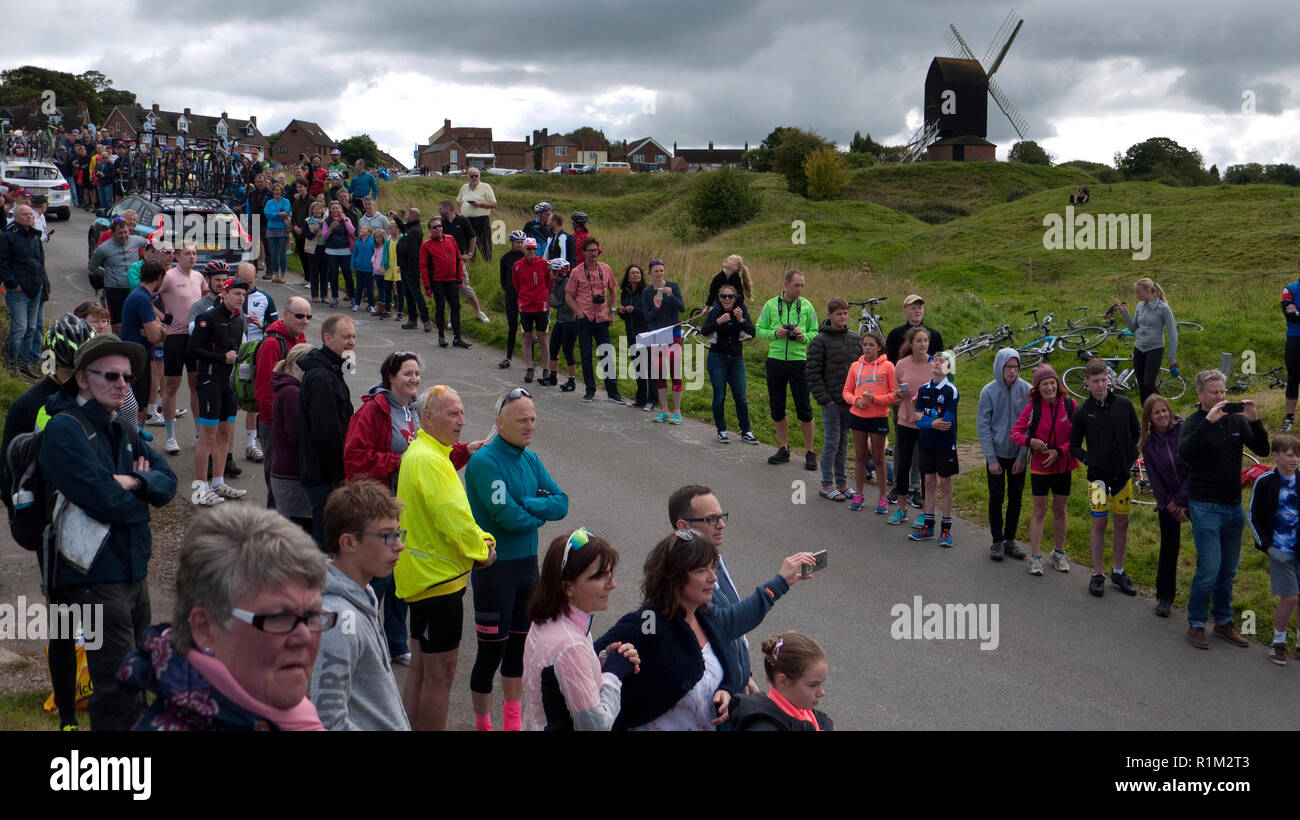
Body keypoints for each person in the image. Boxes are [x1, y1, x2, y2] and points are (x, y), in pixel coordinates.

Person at [39, 333, 177, 730]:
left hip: (132, 570)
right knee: (117, 689)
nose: (122, 385)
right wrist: (139, 491)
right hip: (94, 577)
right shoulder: (65, 430)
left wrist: (132, 482)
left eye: (127, 378)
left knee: (138, 677)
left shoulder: (123, 429)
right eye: (111, 376)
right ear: (83, 379)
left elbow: (167, 483)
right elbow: (104, 501)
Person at [118, 505, 329, 730]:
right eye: (278, 618)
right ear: (204, 628)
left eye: (312, 615)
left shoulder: (292, 717)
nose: (304, 637)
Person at [1, 315, 94, 729]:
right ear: (54, 361)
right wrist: (32, 524)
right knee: (63, 619)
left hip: (94, 524)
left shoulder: (99, 398)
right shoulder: (27, 406)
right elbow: (7, 477)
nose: (80, 378)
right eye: (73, 370)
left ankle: (93, 691)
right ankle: (68, 715)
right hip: (50, 531)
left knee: (96, 613)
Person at [465, 388, 569, 731]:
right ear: (500, 423)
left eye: (533, 419)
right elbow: (506, 517)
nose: (530, 426)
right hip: (495, 572)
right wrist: (537, 511)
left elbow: (561, 502)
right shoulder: (483, 462)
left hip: (528, 572)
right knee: (490, 654)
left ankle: (512, 724)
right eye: (522, 420)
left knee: (519, 654)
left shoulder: (531, 459)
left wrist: (527, 504)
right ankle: (484, 725)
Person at [394, 385, 497, 731]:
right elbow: (453, 517)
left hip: (422, 577)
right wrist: (483, 549)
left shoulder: (424, 451)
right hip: (437, 582)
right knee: (441, 675)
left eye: (462, 413)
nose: (462, 421)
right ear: (427, 417)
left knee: (422, 670)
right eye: (453, 414)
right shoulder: (430, 459)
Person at [667, 485, 816, 693]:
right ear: (683, 526)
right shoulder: (683, 576)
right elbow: (725, 624)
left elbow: (735, 631)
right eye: (711, 519)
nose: (721, 525)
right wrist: (779, 583)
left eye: (722, 517)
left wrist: (745, 675)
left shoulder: (716, 560)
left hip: (734, 689)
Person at [593, 529, 746, 731]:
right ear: (675, 577)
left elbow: (731, 668)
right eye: (701, 571)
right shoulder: (649, 622)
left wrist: (727, 689)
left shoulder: (707, 618)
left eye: (713, 568)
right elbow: (586, 661)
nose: (714, 578)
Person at [311, 480, 412, 730]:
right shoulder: (338, 621)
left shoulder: (364, 592)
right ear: (348, 543)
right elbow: (328, 720)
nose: (399, 545)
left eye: (398, 534)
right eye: (387, 536)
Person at [1179, 368, 1269, 648]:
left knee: (1228, 569)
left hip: (1232, 506)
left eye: (1223, 392)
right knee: (1209, 568)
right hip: (1204, 505)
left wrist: (1255, 422)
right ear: (1200, 394)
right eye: (1215, 392)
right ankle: (1195, 623)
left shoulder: (1236, 422)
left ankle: (1222, 621)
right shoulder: (1194, 422)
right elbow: (1185, 454)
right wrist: (1208, 421)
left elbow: (1263, 450)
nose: (1221, 397)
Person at [343, 351, 421, 663]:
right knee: (378, 578)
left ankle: (396, 642)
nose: (414, 379)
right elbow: (355, 457)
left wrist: (462, 452)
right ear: (391, 377)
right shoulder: (373, 411)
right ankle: (363, 640)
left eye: (416, 374)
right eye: (407, 374)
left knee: (401, 575)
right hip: (379, 508)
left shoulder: (415, 410)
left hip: (406, 506)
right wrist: (399, 462)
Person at [522, 530, 638, 731]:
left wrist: (603, 659)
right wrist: (613, 673)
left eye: (611, 574)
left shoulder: (548, 619)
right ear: (568, 587)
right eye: (600, 577)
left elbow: (560, 679)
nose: (612, 585)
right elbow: (596, 725)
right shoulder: (570, 644)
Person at [1069, 358, 1141, 596]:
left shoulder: (1124, 404)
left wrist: (1131, 457)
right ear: (1086, 381)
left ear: (1109, 380)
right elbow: (1074, 445)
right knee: (1099, 523)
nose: (1101, 385)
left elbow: (1138, 434)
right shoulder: (1082, 410)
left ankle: (1118, 571)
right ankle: (1097, 573)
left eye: (1104, 380)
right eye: (1096, 381)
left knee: (1123, 523)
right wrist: (1089, 460)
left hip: (1122, 477)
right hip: (1097, 478)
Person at [187, 278, 250, 506]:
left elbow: (239, 354)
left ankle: (218, 482)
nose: (240, 298)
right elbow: (192, 350)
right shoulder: (208, 319)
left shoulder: (240, 320)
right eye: (236, 294)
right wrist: (221, 358)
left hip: (229, 384)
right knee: (208, 436)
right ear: (224, 294)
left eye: (243, 295)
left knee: (226, 433)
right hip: (210, 381)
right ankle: (200, 488)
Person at [1010, 365, 1077, 576]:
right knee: (1039, 511)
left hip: (1063, 465)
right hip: (1040, 467)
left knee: (1059, 510)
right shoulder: (1033, 409)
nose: (1049, 387)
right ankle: (1036, 557)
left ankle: (1058, 552)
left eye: (1052, 383)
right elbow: (1015, 433)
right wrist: (1032, 442)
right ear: (1037, 388)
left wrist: (1060, 451)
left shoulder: (1070, 404)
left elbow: (1078, 436)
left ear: (1058, 385)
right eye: (1044, 384)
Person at [298, 312, 357, 542]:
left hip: (327, 475)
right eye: (345, 337)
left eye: (353, 336)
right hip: (325, 478)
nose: (351, 342)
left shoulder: (331, 369)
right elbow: (327, 434)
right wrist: (342, 474)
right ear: (327, 338)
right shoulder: (322, 377)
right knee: (328, 544)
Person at [756, 269, 819, 470]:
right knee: (777, 406)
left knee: (804, 407)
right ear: (786, 284)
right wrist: (776, 333)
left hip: (799, 361)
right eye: (796, 285)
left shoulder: (807, 306)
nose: (799, 289)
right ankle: (783, 447)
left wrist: (803, 337)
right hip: (775, 360)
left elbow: (815, 332)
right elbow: (758, 329)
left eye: (802, 286)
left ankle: (810, 451)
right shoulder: (770, 305)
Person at [886, 294, 945, 506]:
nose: (916, 311)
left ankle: (916, 488)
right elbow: (891, 367)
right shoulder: (894, 335)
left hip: (928, 406)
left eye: (920, 307)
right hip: (902, 401)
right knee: (902, 444)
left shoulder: (935, 336)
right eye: (912, 307)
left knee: (923, 446)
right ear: (904, 310)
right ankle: (899, 487)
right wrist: (896, 394)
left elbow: (946, 369)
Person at [252, 296, 309, 507]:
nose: (305, 321)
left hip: (290, 422)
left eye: (308, 317)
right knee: (276, 486)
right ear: (285, 315)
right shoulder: (272, 344)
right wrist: (281, 422)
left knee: (287, 484)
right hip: (274, 424)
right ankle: (271, 531)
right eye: (300, 316)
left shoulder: (298, 339)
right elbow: (265, 390)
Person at [1249, 433, 1300, 665]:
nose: (1295, 460)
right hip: (1280, 550)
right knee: (1290, 597)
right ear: (1276, 455)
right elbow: (1254, 516)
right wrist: (1268, 547)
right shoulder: (1265, 481)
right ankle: (1278, 643)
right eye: (1290, 455)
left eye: (1297, 455)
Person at [977, 348, 1030, 561]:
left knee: (1016, 498)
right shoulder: (988, 392)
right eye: (1008, 367)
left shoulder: (1027, 390)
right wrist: (991, 459)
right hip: (997, 454)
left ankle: (1010, 539)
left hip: (1017, 454)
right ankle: (996, 541)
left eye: (1015, 367)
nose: (1012, 372)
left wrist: (1022, 457)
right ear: (1000, 366)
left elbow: (1029, 426)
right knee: (996, 497)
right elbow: (983, 426)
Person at [1140, 393, 1189, 615]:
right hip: (1168, 501)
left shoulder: (1185, 430)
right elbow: (1154, 478)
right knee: (1169, 548)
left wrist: (1181, 500)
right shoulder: (1148, 443)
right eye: (1156, 412)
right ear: (1149, 418)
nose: (1162, 415)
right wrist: (1169, 503)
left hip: (1192, 495)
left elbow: (1194, 467)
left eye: (1164, 410)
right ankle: (1165, 597)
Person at [806, 298, 859, 499]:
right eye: (839, 314)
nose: (843, 317)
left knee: (844, 442)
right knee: (832, 441)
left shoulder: (854, 338)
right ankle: (827, 484)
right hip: (830, 401)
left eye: (845, 313)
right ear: (829, 315)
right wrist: (825, 399)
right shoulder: (820, 340)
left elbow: (859, 369)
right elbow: (812, 372)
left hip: (849, 401)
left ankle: (843, 483)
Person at [157, 247, 207, 454]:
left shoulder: (198, 276)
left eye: (194, 253)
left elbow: (206, 298)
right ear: (176, 256)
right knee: (171, 385)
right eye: (187, 253)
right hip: (175, 336)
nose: (192, 256)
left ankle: (198, 433)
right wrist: (162, 316)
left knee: (196, 384)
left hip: (195, 337)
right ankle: (170, 436)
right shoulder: (168, 277)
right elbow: (145, 294)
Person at [843, 330, 899, 513]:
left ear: (879, 347)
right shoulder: (854, 366)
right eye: (865, 344)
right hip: (858, 415)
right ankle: (859, 495)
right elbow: (847, 392)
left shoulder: (888, 366)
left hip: (878, 416)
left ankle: (882, 497)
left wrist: (876, 400)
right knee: (860, 456)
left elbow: (894, 394)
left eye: (871, 345)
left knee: (878, 457)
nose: (867, 348)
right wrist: (856, 401)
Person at [730, 631, 832, 731]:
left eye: (821, 684)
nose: (822, 693)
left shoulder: (811, 719)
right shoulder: (763, 726)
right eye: (813, 685)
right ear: (783, 681)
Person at [566, 236, 626, 404]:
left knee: (606, 354)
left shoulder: (606, 269)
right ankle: (590, 390)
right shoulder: (576, 271)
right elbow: (568, 295)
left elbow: (614, 291)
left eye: (595, 250)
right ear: (584, 252)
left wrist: (612, 311)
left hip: (601, 318)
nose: (593, 254)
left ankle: (613, 392)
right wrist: (578, 312)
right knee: (586, 355)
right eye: (590, 251)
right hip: (584, 317)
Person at [909, 351, 959, 545]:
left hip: (945, 445)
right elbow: (916, 418)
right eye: (935, 360)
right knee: (928, 482)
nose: (937, 363)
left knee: (945, 484)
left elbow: (946, 422)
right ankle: (928, 525)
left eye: (942, 361)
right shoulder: (923, 389)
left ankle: (946, 530)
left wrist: (926, 420)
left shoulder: (951, 391)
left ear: (949, 367)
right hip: (927, 442)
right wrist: (931, 423)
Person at [701, 283, 757, 444]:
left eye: (730, 296)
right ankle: (722, 430)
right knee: (719, 396)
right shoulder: (715, 312)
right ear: (719, 298)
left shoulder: (741, 310)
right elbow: (704, 331)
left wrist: (741, 319)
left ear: (735, 298)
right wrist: (718, 321)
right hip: (717, 357)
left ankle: (746, 431)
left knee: (740, 396)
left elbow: (753, 332)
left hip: (736, 359)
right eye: (723, 296)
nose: (727, 299)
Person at [1, 204, 51, 378]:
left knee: (31, 327)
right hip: (18, 291)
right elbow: (3, 263)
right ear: (16, 217)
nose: (30, 217)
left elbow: (40, 261)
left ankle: (25, 362)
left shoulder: (35, 236)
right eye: (25, 214)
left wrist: (43, 283)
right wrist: (13, 283)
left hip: (36, 288)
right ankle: (12, 364)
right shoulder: (8, 237)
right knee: (20, 328)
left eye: (31, 214)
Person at [270, 344, 316, 532]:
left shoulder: (289, 389)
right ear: (298, 365)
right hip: (291, 476)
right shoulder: (292, 393)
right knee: (297, 533)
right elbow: (297, 433)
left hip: (287, 473)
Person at [889, 327, 930, 525]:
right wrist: (899, 393)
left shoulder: (936, 364)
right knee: (903, 465)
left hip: (927, 423)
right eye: (919, 341)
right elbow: (895, 389)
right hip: (905, 420)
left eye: (925, 341)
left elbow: (946, 389)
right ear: (911, 344)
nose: (923, 344)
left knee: (925, 468)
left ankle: (925, 512)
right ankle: (902, 509)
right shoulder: (901, 364)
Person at [118, 260, 166, 428]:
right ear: (159, 278)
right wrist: (157, 329)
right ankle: (136, 443)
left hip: (134, 353)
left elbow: (153, 330)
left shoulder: (139, 294)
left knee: (139, 402)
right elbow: (155, 337)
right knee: (139, 405)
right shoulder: (143, 298)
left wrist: (154, 328)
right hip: (137, 356)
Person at [1116, 277, 1179, 404]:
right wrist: (1125, 314)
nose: (1136, 295)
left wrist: (1171, 357)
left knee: (1149, 384)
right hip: (1139, 348)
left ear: (1148, 291)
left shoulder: (1164, 308)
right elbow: (1133, 329)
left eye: (1138, 292)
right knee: (1142, 385)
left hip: (1155, 349)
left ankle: (1162, 411)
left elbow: (1173, 333)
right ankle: (1147, 415)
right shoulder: (1140, 306)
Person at [641, 258, 686, 420]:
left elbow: (682, 308)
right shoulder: (646, 293)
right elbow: (648, 317)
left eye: (661, 270)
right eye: (656, 271)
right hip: (657, 335)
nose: (659, 274)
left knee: (675, 373)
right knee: (660, 374)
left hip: (673, 334)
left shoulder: (672, 286)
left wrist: (671, 296)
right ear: (650, 274)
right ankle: (664, 410)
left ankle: (677, 411)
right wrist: (656, 307)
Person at [420, 216, 471, 350]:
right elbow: (424, 267)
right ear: (430, 230)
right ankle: (441, 335)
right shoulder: (426, 245)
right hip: (437, 280)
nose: (438, 229)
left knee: (456, 307)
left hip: (452, 280)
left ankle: (457, 337)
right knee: (440, 307)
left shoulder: (451, 239)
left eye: (439, 226)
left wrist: (459, 278)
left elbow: (458, 259)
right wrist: (427, 286)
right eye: (435, 227)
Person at [88, 218, 147, 331]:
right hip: (114, 289)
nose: (124, 235)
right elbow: (92, 266)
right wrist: (107, 274)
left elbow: (151, 246)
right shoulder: (103, 248)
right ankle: (119, 346)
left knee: (136, 321)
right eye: (120, 233)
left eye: (126, 232)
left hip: (133, 287)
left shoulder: (137, 241)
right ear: (113, 233)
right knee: (118, 325)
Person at [437, 199, 489, 322]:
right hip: (444, 261)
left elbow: (472, 237)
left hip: (458, 260)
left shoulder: (462, 220)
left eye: (441, 209)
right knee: (447, 288)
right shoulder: (441, 223)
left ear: (448, 208)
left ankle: (479, 312)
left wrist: (470, 254)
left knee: (465, 287)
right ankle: (452, 315)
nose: (439, 211)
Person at [512, 241, 554, 384]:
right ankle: (529, 368)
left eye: (534, 249)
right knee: (526, 337)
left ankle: (546, 369)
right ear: (523, 249)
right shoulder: (517, 265)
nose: (531, 251)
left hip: (541, 306)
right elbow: (516, 285)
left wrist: (542, 296)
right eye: (528, 249)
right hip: (525, 307)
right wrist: (525, 298)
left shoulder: (544, 264)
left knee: (543, 337)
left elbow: (549, 283)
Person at [616, 263, 652, 409]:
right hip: (631, 333)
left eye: (638, 273)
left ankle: (652, 399)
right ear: (628, 277)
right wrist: (621, 311)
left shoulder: (647, 291)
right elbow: (626, 317)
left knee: (650, 368)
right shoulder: (625, 293)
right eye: (633, 273)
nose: (636, 275)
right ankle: (641, 398)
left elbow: (649, 313)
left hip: (645, 333)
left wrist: (635, 309)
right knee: (638, 368)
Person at [540, 254, 578, 391]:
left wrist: (559, 301)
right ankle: (553, 377)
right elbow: (550, 300)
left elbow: (567, 303)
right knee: (554, 347)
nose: (550, 273)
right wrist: (559, 301)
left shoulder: (568, 284)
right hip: (561, 321)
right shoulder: (556, 283)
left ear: (558, 272)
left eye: (551, 271)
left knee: (568, 350)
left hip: (570, 322)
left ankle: (572, 381)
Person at [391, 207, 430, 332]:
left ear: (413, 216)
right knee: (408, 293)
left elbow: (413, 252)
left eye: (408, 214)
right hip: (405, 267)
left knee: (416, 294)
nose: (406, 216)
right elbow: (403, 229)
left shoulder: (415, 231)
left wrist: (412, 269)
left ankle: (426, 320)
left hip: (411, 269)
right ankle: (412, 320)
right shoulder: (411, 229)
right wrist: (396, 219)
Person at [498, 230, 526, 366]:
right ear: (512, 242)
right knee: (512, 326)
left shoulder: (527, 256)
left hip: (525, 296)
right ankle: (508, 357)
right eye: (517, 242)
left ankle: (530, 359)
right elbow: (503, 280)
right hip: (511, 296)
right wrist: (510, 290)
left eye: (522, 242)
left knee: (527, 328)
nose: (520, 245)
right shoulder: (505, 258)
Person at [320, 200, 356, 308]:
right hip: (331, 250)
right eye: (333, 208)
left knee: (347, 274)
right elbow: (324, 236)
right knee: (333, 274)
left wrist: (345, 220)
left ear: (340, 209)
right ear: (330, 210)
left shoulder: (346, 219)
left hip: (345, 250)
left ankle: (353, 296)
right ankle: (334, 297)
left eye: (337, 208)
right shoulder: (327, 221)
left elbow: (352, 230)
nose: (335, 210)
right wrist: (331, 227)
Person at [456, 168, 497, 262]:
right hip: (466, 220)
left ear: (479, 176)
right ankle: (471, 262)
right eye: (472, 176)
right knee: (468, 243)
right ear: (468, 177)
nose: (474, 178)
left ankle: (487, 263)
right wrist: (459, 213)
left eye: (476, 176)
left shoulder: (486, 187)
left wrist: (480, 204)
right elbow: (458, 201)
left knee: (484, 244)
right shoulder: (464, 187)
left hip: (481, 220)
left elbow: (494, 204)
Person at [1280, 259, 1300, 432]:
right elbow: (1291, 316)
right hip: (1295, 339)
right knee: (1293, 378)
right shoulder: (1290, 289)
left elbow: (1296, 314)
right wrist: (1296, 314)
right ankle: (1289, 418)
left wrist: (1298, 312)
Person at [263, 181, 292, 284]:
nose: (276, 192)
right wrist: (278, 214)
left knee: (282, 253)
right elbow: (267, 214)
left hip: (282, 230)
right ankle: (276, 274)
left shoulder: (286, 201)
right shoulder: (269, 202)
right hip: (271, 229)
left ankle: (283, 275)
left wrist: (275, 215)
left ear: (281, 191)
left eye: (278, 190)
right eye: (274, 190)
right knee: (273, 254)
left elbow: (286, 212)